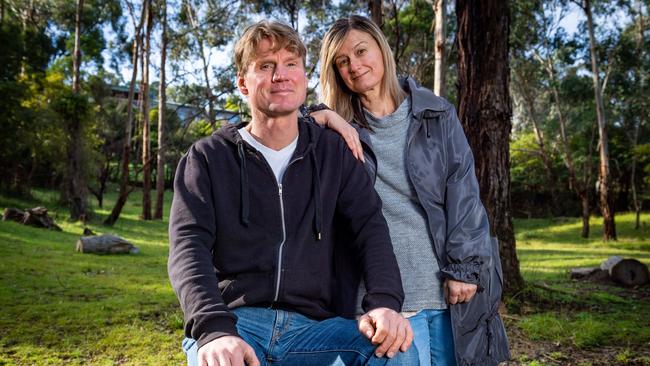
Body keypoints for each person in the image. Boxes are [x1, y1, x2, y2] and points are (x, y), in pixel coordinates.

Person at [168, 20, 418, 366]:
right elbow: (188, 247)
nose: (280, 75)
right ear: (242, 83)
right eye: (266, 66)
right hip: (236, 323)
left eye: (290, 64)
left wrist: (385, 303)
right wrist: (213, 328)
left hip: (314, 327)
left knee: (398, 352)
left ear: (304, 76)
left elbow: (370, 228)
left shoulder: (333, 153)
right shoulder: (208, 158)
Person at [310, 15, 510, 366]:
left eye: (361, 51)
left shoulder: (436, 114)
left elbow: (463, 193)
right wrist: (318, 116)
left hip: (447, 291)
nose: (355, 66)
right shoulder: (333, 132)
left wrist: (464, 269)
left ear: (381, 50)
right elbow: (267, 128)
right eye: (342, 61)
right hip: (377, 300)